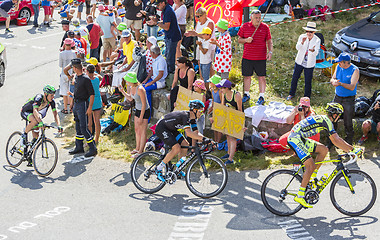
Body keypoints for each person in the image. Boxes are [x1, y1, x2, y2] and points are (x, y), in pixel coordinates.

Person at [288, 102, 362, 208]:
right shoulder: (326, 121)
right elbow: (336, 140)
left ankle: (312, 177)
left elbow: (335, 141)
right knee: (310, 166)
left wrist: (349, 150)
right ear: (334, 114)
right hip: (295, 138)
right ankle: (300, 195)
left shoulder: (324, 119)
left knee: (323, 150)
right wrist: (352, 149)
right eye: (339, 114)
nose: (339, 117)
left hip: (299, 138)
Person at [154, 99, 212, 182]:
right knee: (176, 148)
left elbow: (196, 133)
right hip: (162, 128)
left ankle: (178, 169)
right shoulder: (185, 116)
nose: (201, 113)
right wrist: (203, 139)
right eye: (200, 111)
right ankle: (158, 168)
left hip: (171, 129)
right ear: (194, 110)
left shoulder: (192, 118)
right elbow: (188, 133)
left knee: (185, 144)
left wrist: (207, 140)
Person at [20, 85, 63, 166]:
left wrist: (59, 125)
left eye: (53, 95)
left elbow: (55, 113)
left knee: (36, 137)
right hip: (26, 111)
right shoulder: (39, 97)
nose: (53, 97)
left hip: (35, 115)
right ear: (46, 94)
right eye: (51, 95)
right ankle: (24, 134)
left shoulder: (51, 102)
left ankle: (29, 156)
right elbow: (35, 110)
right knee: (36, 121)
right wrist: (40, 122)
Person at [237, 9, 273, 105]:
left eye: (259, 18)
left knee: (261, 77)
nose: (258, 20)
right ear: (251, 18)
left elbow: (269, 41)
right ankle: (246, 94)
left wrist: (270, 52)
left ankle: (261, 96)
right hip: (247, 57)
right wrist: (246, 40)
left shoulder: (265, 27)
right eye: (256, 18)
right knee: (247, 76)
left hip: (260, 58)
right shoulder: (245, 26)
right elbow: (239, 39)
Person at [68, 59, 98, 158]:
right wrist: (72, 103)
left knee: (84, 128)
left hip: (83, 104)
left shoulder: (86, 79)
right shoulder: (77, 77)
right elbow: (76, 90)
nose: (72, 69)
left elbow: (92, 94)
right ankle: (79, 147)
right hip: (76, 103)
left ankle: (93, 148)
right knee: (78, 126)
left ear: (76, 68)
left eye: (73, 67)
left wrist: (90, 108)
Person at [330, 52, 359, 145]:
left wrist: (340, 84)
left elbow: (352, 86)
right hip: (337, 97)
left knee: (348, 121)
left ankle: (349, 140)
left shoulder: (355, 70)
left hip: (349, 99)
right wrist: (333, 81)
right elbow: (333, 78)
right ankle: (331, 140)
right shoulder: (338, 67)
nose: (338, 63)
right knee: (332, 118)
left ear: (346, 62)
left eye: (340, 62)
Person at [119, 72, 150, 158]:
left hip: (144, 110)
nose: (126, 82)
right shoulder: (131, 87)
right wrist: (123, 91)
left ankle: (140, 151)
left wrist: (141, 117)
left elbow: (144, 104)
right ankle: (137, 148)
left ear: (132, 81)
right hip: (138, 109)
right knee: (137, 129)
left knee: (143, 131)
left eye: (127, 80)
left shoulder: (140, 89)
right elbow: (130, 98)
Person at [287, 22, 320, 100]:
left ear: (314, 32)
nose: (308, 33)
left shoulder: (317, 40)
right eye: (307, 31)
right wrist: (302, 42)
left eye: (311, 32)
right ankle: (291, 93)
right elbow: (297, 47)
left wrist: (313, 50)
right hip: (300, 60)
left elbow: (316, 53)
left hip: (309, 63)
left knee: (308, 80)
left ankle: (307, 97)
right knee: (295, 77)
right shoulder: (302, 36)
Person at [148, 0, 181, 74]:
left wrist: (156, 23)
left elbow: (166, 27)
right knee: (167, 54)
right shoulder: (166, 9)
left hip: (172, 36)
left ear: (163, 3)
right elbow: (165, 21)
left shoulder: (168, 10)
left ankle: (171, 74)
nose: (157, 6)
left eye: (158, 5)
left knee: (170, 56)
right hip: (169, 35)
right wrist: (156, 21)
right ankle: (168, 72)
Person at [185, 7, 215, 80]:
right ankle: (202, 82)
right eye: (196, 16)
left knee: (209, 64)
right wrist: (190, 33)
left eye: (199, 16)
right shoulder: (198, 23)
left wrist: (196, 34)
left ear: (205, 15)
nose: (198, 18)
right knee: (199, 63)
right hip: (200, 45)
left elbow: (207, 36)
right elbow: (196, 32)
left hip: (208, 46)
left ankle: (212, 82)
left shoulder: (210, 23)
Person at [217, 79, 243, 165]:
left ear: (227, 88)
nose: (220, 90)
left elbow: (240, 110)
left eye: (222, 88)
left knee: (233, 138)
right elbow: (223, 106)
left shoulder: (236, 95)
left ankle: (231, 159)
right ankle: (228, 153)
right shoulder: (224, 94)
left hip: (236, 118)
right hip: (228, 118)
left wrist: (240, 124)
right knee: (228, 136)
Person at [142, 45, 167, 118]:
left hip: (159, 82)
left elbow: (160, 75)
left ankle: (148, 115)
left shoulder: (161, 60)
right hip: (153, 80)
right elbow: (152, 70)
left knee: (145, 90)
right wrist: (146, 79)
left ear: (153, 53)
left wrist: (151, 83)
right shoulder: (155, 59)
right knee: (141, 87)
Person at [86, 64, 102, 144]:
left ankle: (90, 139)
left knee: (89, 123)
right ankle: (97, 139)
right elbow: (100, 76)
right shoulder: (97, 79)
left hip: (90, 102)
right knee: (97, 121)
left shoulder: (87, 80)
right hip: (98, 101)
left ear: (87, 71)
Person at [59, 38, 77, 114]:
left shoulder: (61, 53)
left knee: (64, 92)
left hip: (64, 73)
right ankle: (71, 108)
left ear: (65, 44)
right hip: (72, 74)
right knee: (71, 91)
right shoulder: (74, 53)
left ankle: (65, 109)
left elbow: (60, 65)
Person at [208, 74, 222, 142]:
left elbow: (222, 102)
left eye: (211, 82)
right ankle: (215, 141)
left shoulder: (220, 91)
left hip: (220, 110)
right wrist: (211, 107)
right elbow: (213, 100)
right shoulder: (212, 90)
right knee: (214, 127)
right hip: (214, 110)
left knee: (219, 128)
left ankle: (218, 142)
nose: (209, 83)